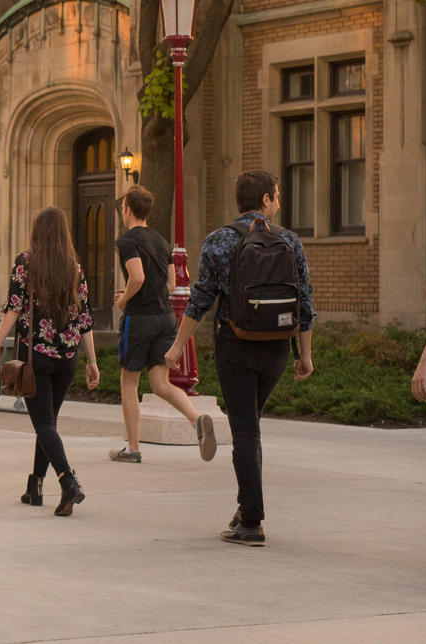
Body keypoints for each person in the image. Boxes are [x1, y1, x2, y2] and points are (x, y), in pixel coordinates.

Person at [164, 169, 315, 547]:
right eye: (276, 195)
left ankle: (251, 521)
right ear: (264, 199)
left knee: (245, 430)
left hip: (235, 344)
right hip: (278, 347)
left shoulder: (219, 241)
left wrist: (178, 347)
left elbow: (200, 300)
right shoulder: (291, 241)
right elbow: (306, 303)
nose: (279, 201)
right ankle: (246, 511)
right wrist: (305, 355)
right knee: (251, 426)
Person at [0, 207, 100, 516]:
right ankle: (34, 486)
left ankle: (68, 482)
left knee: (45, 424)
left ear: (38, 232)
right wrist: (92, 360)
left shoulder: (26, 263)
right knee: (48, 423)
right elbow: (85, 319)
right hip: (68, 358)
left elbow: (13, 308)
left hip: (35, 357)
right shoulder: (74, 269)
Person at [109, 185, 216, 464]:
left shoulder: (127, 241)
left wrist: (124, 302)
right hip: (165, 318)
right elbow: (170, 283)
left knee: (129, 383)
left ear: (128, 210)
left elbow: (138, 277)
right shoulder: (161, 240)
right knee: (160, 382)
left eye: (123, 208)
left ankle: (132, 448)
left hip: (140, 319)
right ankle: (197, 420)